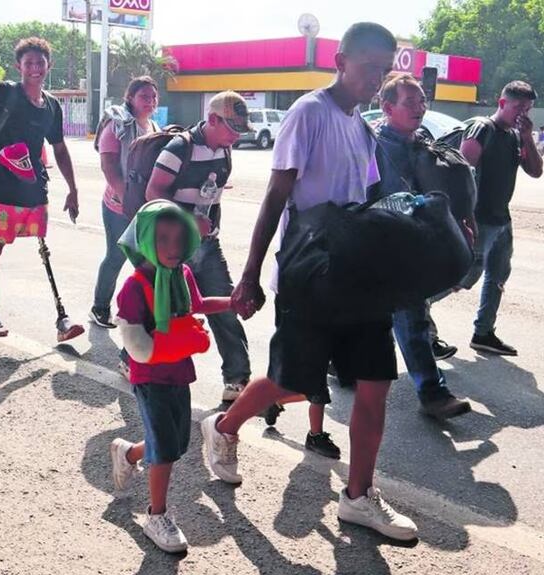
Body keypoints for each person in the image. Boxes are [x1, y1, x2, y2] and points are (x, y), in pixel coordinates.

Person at [203, 23, 420, 541]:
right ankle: (224, 427)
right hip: (309, 273)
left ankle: (358, 497)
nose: (375, 78)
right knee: (293, 380)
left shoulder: (361, 127)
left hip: (357, 274)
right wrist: (251, 275)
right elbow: (277, 199)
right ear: (341, 60)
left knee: (375, 381)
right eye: (368, 66)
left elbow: (363, 201)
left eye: (382, 68)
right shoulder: (309, 113)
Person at [109, 200, 231, 553]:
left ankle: (129, 453)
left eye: (179, 239)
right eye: (163, 239)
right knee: (164, 448)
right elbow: (135, 341)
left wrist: (230, 302)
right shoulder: (134, 287)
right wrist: (166, 343)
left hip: (179, 372)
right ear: (145, 240)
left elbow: (195, 304)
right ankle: (156, 515)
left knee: (175, 443)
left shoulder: (182, 276)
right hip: (150, 379)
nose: (173, 248)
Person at [0, 39, 84, 342]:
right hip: (1, 182)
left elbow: (59, 147)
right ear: (19, 67)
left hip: (33, 181)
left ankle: (61, 318)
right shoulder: (7, 93)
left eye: (39, 63)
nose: (34, 68)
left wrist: (73, 188)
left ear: (48, 66)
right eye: (28, 63)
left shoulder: (52, 106)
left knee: (42, 245)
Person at [371, 72, 473, 419]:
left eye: (422, 101)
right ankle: (432, 392)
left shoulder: (424, 139)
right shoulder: (376, 147)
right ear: (387, 107)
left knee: (385, 313)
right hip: (389, 245)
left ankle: (339, 364)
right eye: (410, 102)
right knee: (410, 314)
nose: (420, 107)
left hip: (421, 242)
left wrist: (459, 220)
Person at [145, 90, 253, 405]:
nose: (236, 136)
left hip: (208, 245)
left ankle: (237, 379)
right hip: (176, 248)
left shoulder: (225, 152)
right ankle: (134, 356)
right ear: (213, 119)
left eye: (239, 130)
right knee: (165, 310)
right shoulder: (179, 148)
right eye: (232, 128)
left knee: (227, 307)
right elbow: (153, 195)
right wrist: (190, 220)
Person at [446, 81, 543, 356]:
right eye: (518, 108)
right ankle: (417, 311)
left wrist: (526, 137)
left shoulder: (515, 136)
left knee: (499, 274)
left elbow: (536, 171)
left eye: (528, 109)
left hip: (502, 219)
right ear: (502, 104)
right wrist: (465, 218)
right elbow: (461, 173)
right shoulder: (482, 128)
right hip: (479, 219)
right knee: (465, 276)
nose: (523, 115)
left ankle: (484, 332)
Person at [90, 76, 160, 329]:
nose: (150, 101)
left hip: (143, 208)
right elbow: (109, 166)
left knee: (148, 261)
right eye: (144, 96)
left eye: (153, 97)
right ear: (130, 98)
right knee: (117, 256)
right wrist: (126, 199)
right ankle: (100, 308)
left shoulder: (152, 127)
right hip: (118, 207)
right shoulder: (118, 125)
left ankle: (144, 313)